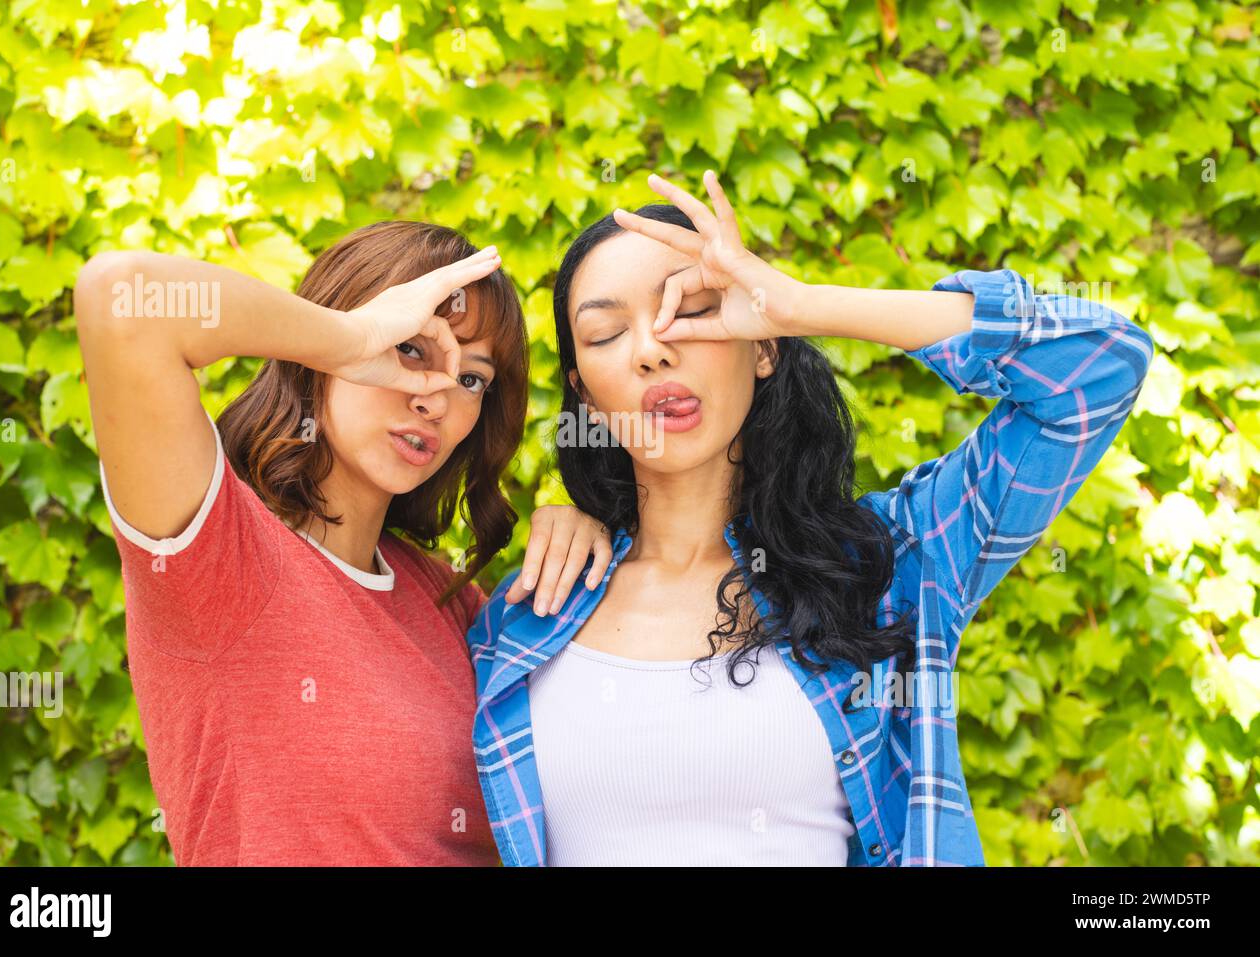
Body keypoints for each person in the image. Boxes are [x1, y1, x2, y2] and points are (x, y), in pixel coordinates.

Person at [467, 171, 1154, 866]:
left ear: (764, 344)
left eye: (693, 308)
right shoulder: (528, 616)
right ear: (584, 393)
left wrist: (803, 303)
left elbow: (1099, 367)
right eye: (607, 333)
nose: (651, 348)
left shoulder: (891, 567)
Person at [74, 221, 612, 865]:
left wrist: (590, 530)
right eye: (413, 350)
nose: (437, 397)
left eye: (472, 380)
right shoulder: (218, 558)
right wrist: (351, 339)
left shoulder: (447, 601)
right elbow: (122, 299)